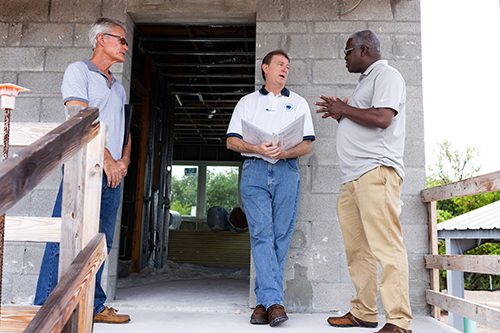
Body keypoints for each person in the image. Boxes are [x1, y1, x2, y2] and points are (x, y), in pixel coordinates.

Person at [34, 17, 132, 324]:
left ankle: (94, 306)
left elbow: (126, 129)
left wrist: (124, 160)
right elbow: (80, 119)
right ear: (101, 39)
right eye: (121, 40)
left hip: (113, 174)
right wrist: (107, 160)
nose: (126, 46)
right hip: (83, 170)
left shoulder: (118, 87)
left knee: (101, 242)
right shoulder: (79, 71)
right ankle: (45, 307)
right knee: (65, 238)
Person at [315, 30, 413, 333]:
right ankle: (364, 311)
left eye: (348, 52)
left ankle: (399, 321)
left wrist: (343, 109)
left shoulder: (387, 75)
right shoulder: (366, 83)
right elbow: (365, 116)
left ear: (365, 49)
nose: (344, 58)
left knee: (387, 247)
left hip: (376, 173)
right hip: (353, 178)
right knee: (358, 250)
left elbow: (384, 118)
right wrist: (342, 113)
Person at [226, 49, 315, 327]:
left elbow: (307, 143)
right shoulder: (247, 102)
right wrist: (256, 148)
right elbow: (231, 141)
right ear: (265, 68)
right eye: (279, 64)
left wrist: (285, 153)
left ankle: (263, 304)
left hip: (287, 170)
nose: (284, 69)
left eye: (287, 66)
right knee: (262, 235)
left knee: (280, 237)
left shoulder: (298, 102)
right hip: (254, 170)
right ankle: (275, 303)